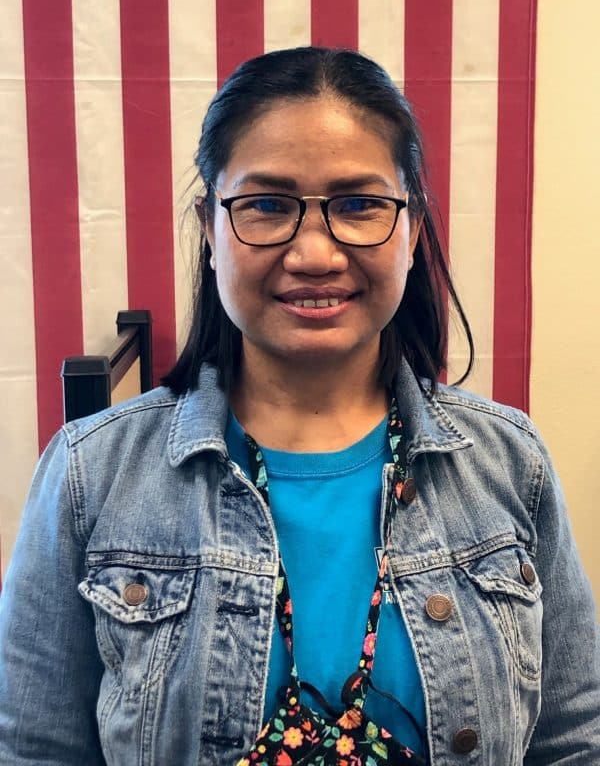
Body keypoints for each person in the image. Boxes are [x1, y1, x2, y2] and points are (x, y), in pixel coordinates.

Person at [0, 47, 598, 766]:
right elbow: (35, 750)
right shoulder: (88, 475)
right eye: (267, 205)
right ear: (210, 229)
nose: (315, 252)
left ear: (409, 228)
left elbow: (572, 740)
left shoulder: (509, 462)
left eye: (358, 204)